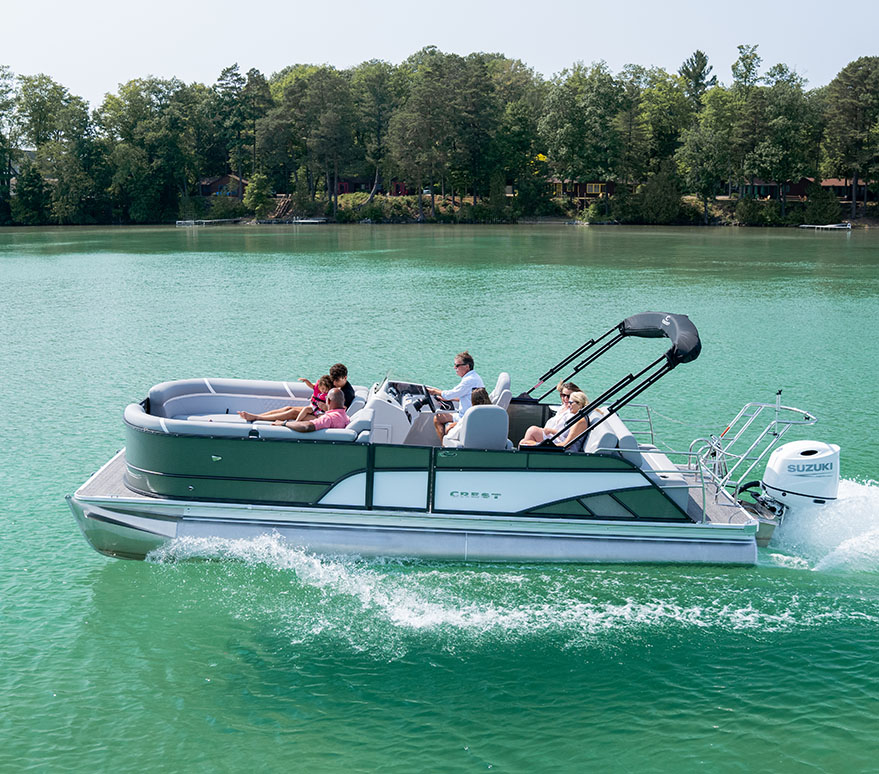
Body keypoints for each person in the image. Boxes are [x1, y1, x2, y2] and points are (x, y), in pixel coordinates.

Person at [426, 350, 485, 441]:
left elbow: (449, 394)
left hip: (466, 418)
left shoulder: (469, 380)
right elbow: (467, 396)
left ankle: (444, 448)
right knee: (438, 418)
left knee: (445, 425)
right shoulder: (474, 377)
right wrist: (448, 399)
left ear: (467, 366)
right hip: (464, 414)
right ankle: (444, 445)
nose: (454, 368)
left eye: (457, 365)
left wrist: (434, 391)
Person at [519, 391, 591, 449]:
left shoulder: (580, 422)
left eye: (571, 403)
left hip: (564, 452)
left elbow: (566, 445)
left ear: (580, 404)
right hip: (560, 446)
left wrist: (537, 444)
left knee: (527, 439)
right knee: (525, 440)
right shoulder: (577, 418)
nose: (569, 405)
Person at [281, 388, 349, 432]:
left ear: (328, 401)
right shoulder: (346, 417)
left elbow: (307, 427)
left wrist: (284, 423)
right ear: (343, 401)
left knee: (290, 410)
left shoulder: (329, 418)